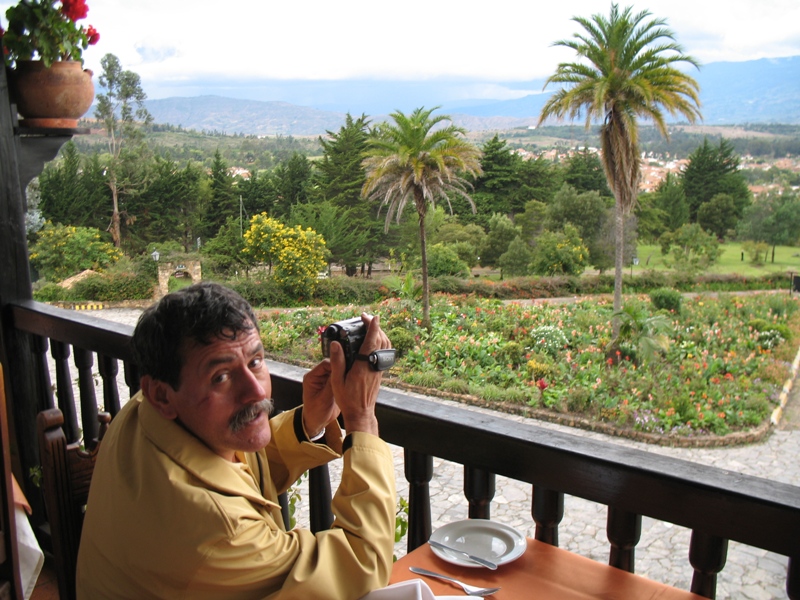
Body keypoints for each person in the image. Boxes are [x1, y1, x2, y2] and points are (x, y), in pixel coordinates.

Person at [76, 282, 397, 599]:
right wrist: (361, 417)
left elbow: (228, 473)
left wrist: (309, 422)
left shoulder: (146, 411)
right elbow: (360, 568)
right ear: (161, 394)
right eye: (221, 377)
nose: (257, 391)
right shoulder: (215, 533)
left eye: (255, 362)